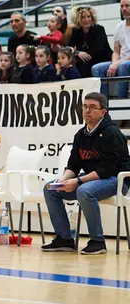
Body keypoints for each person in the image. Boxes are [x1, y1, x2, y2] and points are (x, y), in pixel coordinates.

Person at [42, 92, 130, 255]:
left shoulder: (112, 133)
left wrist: (78, 181)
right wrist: (62, 181)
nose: (87, 110)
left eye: (93, 107)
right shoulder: (81, 134)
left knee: (84, 191)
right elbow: (73, 165)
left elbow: (105, 170)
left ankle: (98, 242)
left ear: (103, 112)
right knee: (50, 189)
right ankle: (65, 239)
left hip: (116, 180)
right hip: (92, 180)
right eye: (85, 106)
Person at [92, 0, 130, 97]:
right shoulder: (119, 26)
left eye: (127, 6)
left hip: (125, 63)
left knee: (123, 66)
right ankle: (103, 101)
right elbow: (116, 51)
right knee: (96, 68)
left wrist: (117, 63)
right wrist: (113, 64)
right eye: (122, 6)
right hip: (121, 61)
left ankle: (121, 100)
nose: (124, 9)